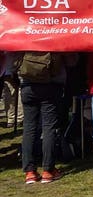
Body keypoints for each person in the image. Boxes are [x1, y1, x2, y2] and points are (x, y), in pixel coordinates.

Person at [19, 51, 72, 184]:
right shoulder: (56, 37)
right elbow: (72, 61)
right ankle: (48, 170)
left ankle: (29, 171)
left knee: (29, 127)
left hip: (28, 84)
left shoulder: (27, 34)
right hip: (51, 86)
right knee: (49, 127)